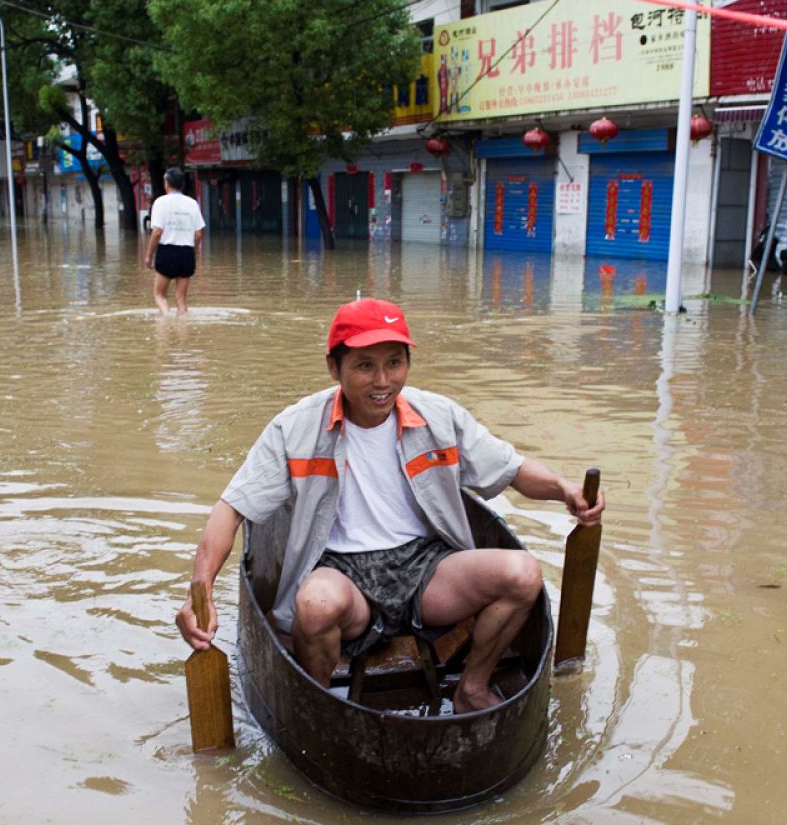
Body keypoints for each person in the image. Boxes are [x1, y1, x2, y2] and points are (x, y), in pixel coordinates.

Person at [175, 298, 604, 713]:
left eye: (394, 363)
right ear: (334, 368)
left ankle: (472, 688)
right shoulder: (295, 427)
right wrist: (202, 591)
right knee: (315, 605)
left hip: (426, 567)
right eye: (365, 366)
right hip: (341, 570)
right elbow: (231, 509)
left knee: (523, 574)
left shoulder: (437, 415)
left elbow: (509, 468)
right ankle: (315, 706)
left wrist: (565, 489)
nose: (383, 381)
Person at [142, 168, 206, 315]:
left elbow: (157, 232)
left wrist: (149, 255)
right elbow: (199, 234)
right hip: (186, 253)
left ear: (166, 183)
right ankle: (183, 333)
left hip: (167, 252)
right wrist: (193, 251)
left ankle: (166, 323)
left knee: (159, 295)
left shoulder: (160, 202)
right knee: (181, 298)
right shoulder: (192, 203)